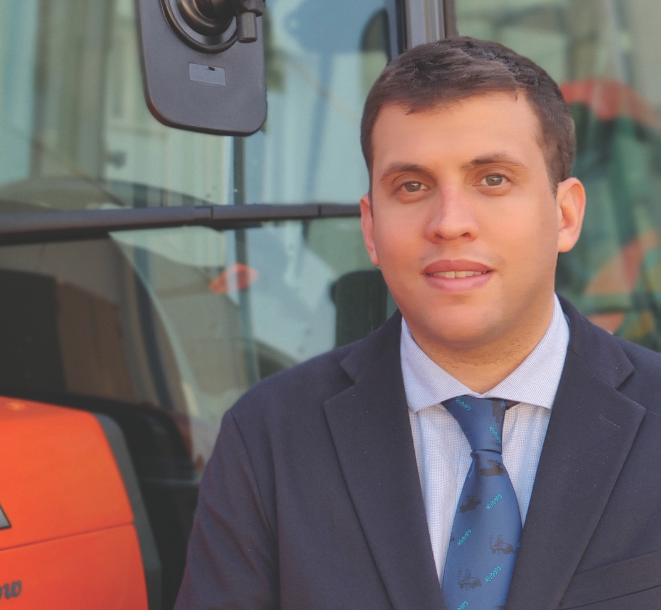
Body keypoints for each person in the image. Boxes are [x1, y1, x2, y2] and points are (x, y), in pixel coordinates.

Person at [175, 37, 661, 610]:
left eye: (493, 179)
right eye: (412, 186)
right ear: (371, 228)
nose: (449, 223)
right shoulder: (269, 435)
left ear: (566, 214)